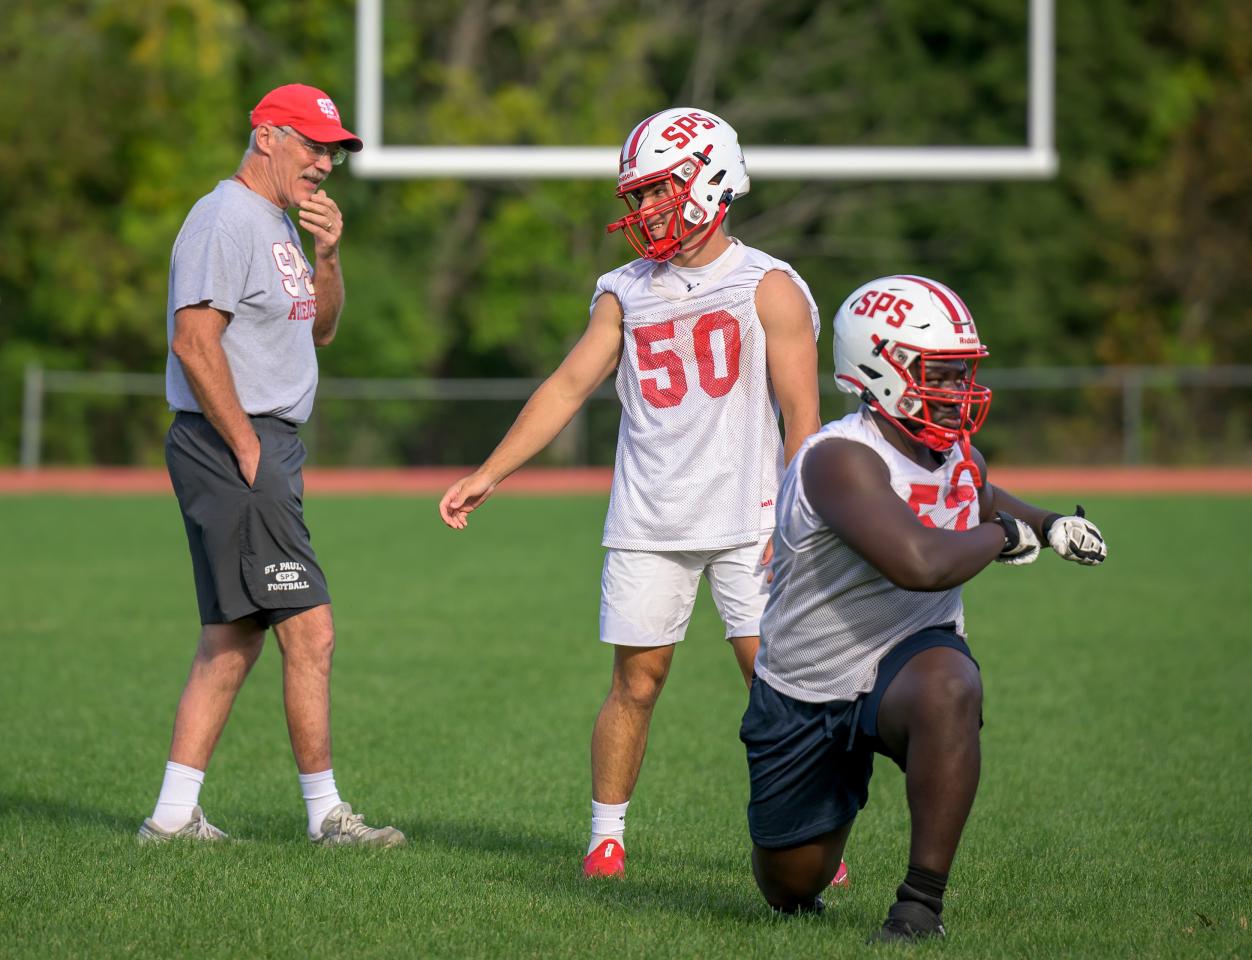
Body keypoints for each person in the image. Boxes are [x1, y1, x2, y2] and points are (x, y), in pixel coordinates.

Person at [439, 107, 821, 878]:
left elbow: (802, 416)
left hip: (749, 517)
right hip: (649, 517)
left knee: (775, 688)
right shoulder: (625, 290)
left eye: (659, 190)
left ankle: (810, 836)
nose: (645, 210)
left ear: (712, 179)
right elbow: (567, 386)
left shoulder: (768, 285)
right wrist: (490, 471)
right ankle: (605, 838)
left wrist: (795, 516)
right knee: (635, 683)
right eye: (638, 195)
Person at [742, 274, 1107, 942]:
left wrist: (1049, 524)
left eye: (962, 373)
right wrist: (1001, 539)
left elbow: (983, 498)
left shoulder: (956, 451)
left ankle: (918, 907)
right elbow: (919, 562)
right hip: (807, 685)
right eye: (939, 372)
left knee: (951, 686)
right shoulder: (839, 459)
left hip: (909, 657)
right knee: (791, 884)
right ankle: (818, 834)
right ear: (877, 368)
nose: (958, 390)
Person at [138, 84, 403, 847]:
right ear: (266, 137)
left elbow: (320, 330)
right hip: (235, 443)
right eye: (313, 145)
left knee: (234, 636)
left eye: (333, 151)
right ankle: (327, 817)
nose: (325, 162)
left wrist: (328, 256)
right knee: (309, 632)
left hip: (263, 444)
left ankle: (172, 816)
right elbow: (193, 342)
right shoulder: (224, 217)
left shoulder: (280, 222)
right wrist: (246, 447)